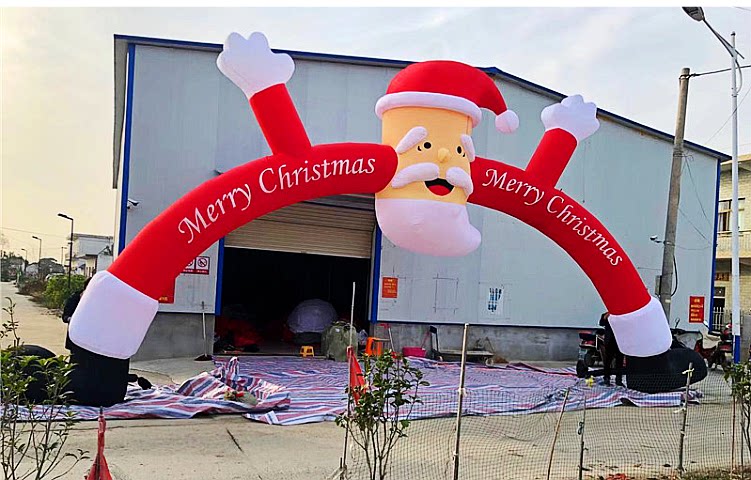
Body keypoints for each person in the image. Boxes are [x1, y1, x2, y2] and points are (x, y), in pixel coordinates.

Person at [599, 312, 624, 387]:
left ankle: (618, 380)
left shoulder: (621, 315)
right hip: (610, 341)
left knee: (619, 361)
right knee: (608, 360)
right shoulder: (606, 315)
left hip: (619, 341)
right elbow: (601, 323)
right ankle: (606, 378)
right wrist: (605, 317)